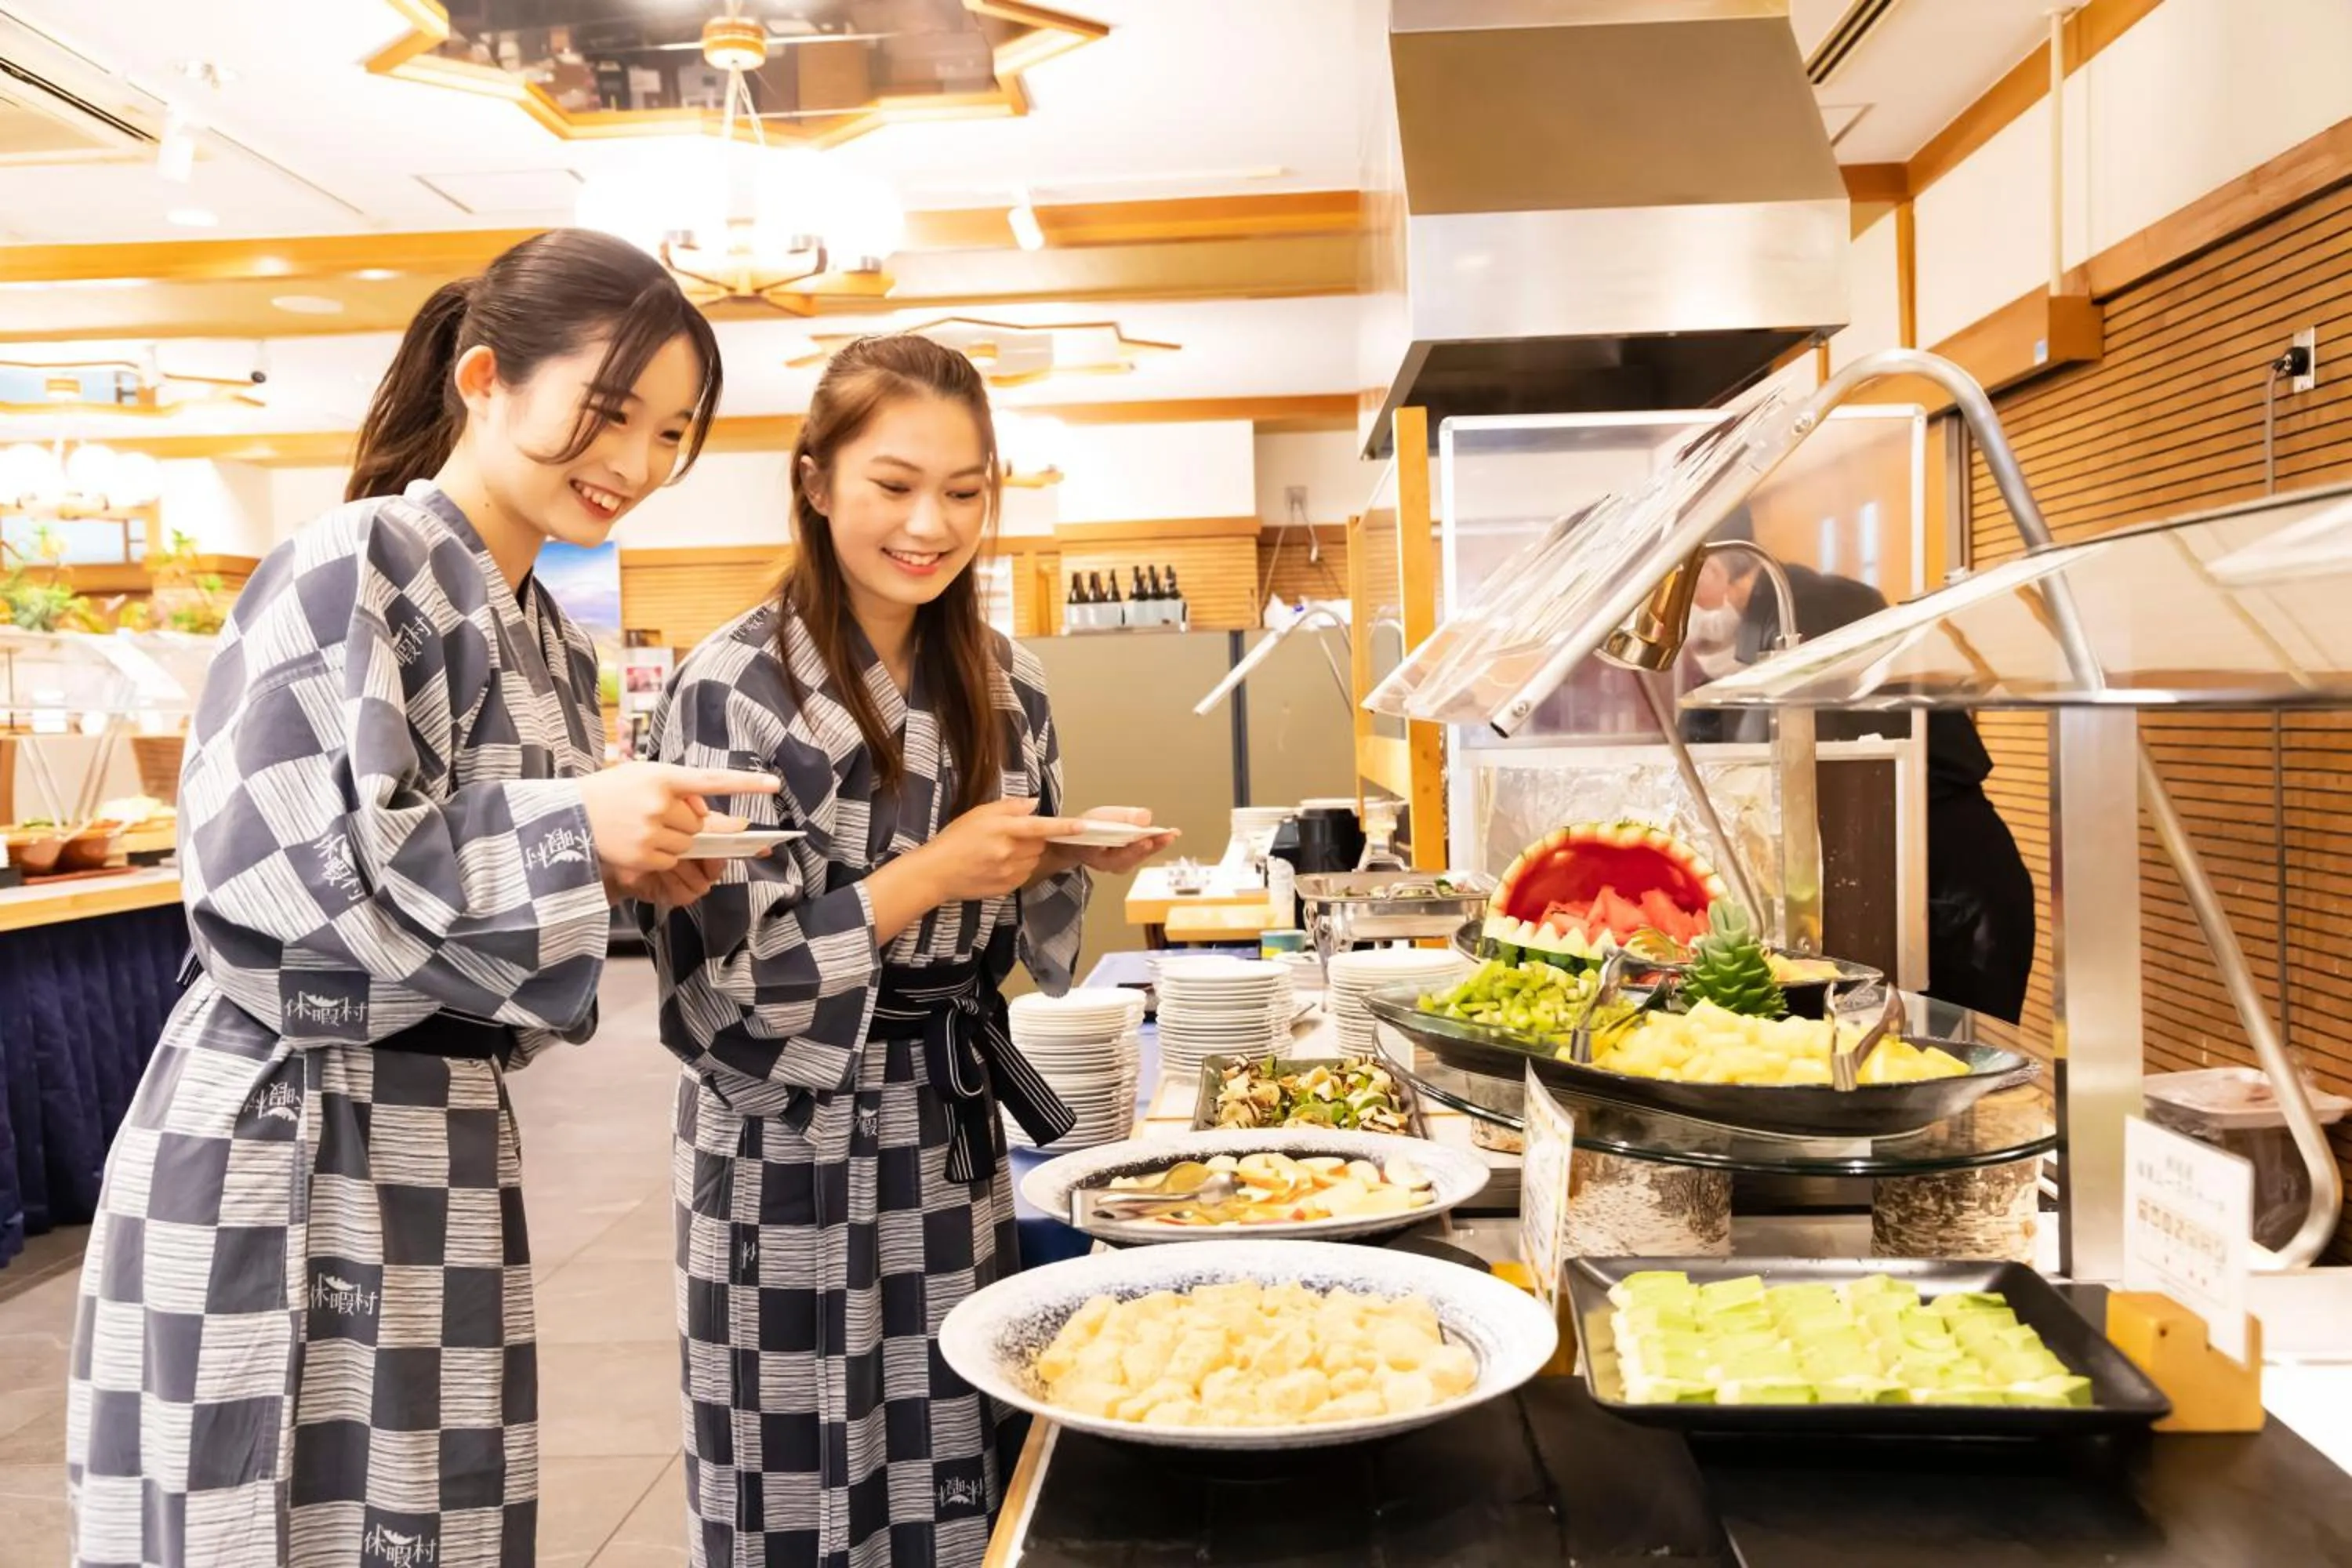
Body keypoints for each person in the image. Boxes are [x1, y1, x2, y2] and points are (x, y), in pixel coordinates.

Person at [64, 229, 779, 1568]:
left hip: (435, 1124)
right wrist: (573, 827)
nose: (635, 462)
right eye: (610, 410)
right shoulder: (354, 557)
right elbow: (268, 872)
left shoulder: (547, 629)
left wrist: (624, 860)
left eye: (672, 433)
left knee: (432, 1502)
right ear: (486, 378)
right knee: (276, 1511)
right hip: (293, 1119)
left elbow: (476, 878)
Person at [641, 334, 1173, 1568]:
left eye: (965, 490)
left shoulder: (1006, 679)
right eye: (893, 484)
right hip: (789, 1137)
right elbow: (723, 991)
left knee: (956, 1427)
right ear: (815, 481)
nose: (930, 525)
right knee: (797, 1462)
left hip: (944, 1117)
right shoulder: (736, 687)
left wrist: (1058, 856)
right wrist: (930, 875)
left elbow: (1003, 919)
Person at [1681, 514, 2037, 1022]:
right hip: (1921, 883)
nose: (1689, 604)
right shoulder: (1787, 605)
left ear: (1714, 566)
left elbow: (1763, 752)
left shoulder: (1812, 607)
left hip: (1951, 894)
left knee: (1947, 1054)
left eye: (1686, 582)